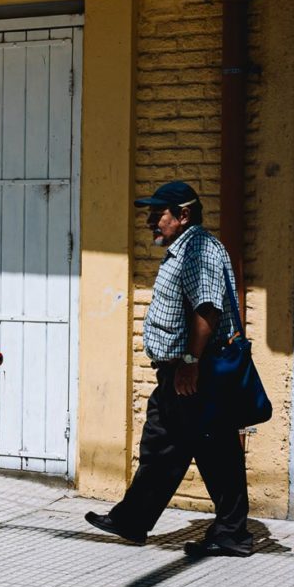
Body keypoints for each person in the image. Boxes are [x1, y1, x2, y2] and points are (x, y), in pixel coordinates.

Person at [85, 181, 253, 557]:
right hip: (179, 371)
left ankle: (232, 533)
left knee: (215, 451)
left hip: (195, 371)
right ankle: (132, 519)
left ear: (183, 215)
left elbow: (207, 310)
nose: (149, 222)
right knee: (164, 444)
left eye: (158, 214)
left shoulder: (198, 250)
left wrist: (190, 362)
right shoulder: (184, 249)